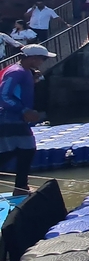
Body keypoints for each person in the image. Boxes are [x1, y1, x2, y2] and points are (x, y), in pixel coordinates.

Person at [0, 45, 53, 195]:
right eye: (42, 58)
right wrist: (24, 110)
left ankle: (21, 187)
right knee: (21, 150)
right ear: (32, 58)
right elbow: (4, 96)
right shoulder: (16, 72)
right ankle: (21, 187)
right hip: (9, 118)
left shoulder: (25, 71)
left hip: (16, 118)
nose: (43, 62)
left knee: (21, 150)